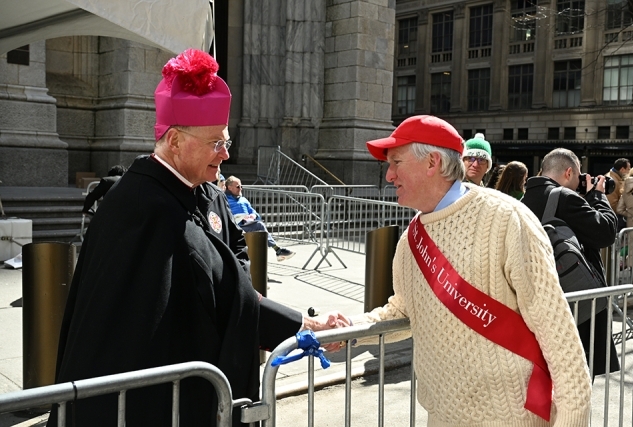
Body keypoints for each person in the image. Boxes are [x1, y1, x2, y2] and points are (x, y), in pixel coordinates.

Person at [48, 49, 344, 427]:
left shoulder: (204, 191)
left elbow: (233, 263)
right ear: (174, 141)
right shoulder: (142, 207)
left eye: (227, 142)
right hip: (143, 400)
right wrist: (304, 326)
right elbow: (219, 289)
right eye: (214, 144)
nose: (224, 155)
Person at [340, 115, 591, 426]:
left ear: (432, 162)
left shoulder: (507, 219)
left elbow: (561, 341)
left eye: (396, 162)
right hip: (442, 417)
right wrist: (346, 327)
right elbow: (404, 312)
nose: (389, 175)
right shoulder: (410, 241)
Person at [521, 148, 620, 380]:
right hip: (578, 310)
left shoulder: (523, 201)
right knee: (576, 385)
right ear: (568, 172)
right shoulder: (564, 197)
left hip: (538, 305)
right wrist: (598, 196)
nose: (578, 184)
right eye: (577, 177)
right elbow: (605, 232)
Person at [225, 175, 296, 261]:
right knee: (259, 226)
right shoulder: (224, 198)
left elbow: (254, 212)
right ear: (230, 187)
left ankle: (275, 252)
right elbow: (225, 213)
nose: (240, 188)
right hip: (235, 226)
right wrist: (239, 218)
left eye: (241, 186)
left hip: (247, 224)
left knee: (259, 227)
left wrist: (253, 215)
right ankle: (277, 250)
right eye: (238, 186)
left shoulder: (243, 199)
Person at [605, 158, 631, 232]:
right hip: (614, 216)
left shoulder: (615, 178)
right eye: (628, 169)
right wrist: (622, 211)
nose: (629, 171)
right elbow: (612, 203)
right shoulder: (612, 181)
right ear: (622, 169)